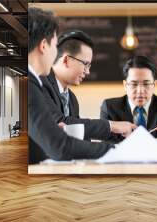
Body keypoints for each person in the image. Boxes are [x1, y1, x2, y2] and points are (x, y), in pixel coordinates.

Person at [28, 8, 113, 164]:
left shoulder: (70, 98)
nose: (56, 54)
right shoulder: (33, 86)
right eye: (54, 46)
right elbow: (60, 147)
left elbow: (74, 137)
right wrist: (117, 150)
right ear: (44, 46)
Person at [41, 30, 136, 141]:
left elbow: (81, 134)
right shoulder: (40, 84)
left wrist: (119, 138)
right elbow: (62, 123)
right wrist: (112, 125)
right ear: (66, 60)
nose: (87, 72)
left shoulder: (71, 98)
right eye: (85, 64)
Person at [100, 55, 157, 150]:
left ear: (154, 84)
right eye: (134, 84)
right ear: (125, 85)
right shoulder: (110, 107)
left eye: (146, 84)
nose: (140, 90)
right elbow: (107, 146)